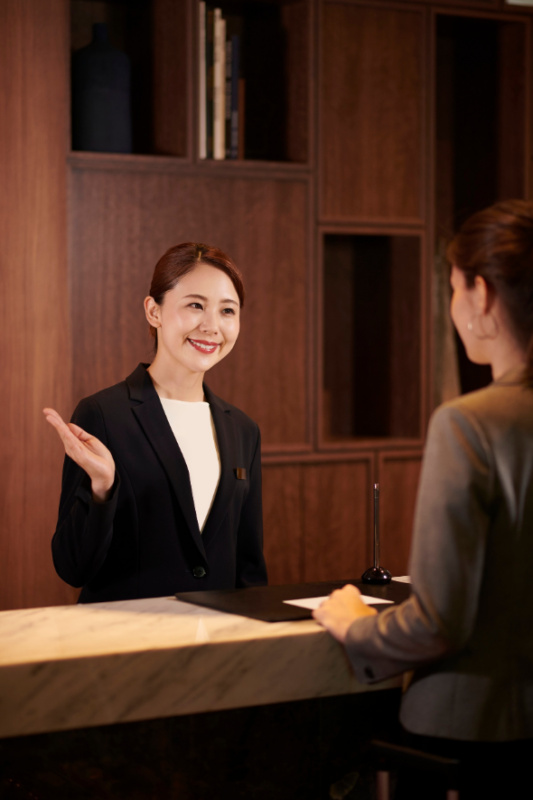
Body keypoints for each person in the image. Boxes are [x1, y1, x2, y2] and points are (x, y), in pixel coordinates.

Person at [313, 200, 533, 794]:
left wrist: (355, 624)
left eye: (454, 289)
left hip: (472, 735)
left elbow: (438, 623)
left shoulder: (471, 423)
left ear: (481, 295)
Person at [44, 243, 267, 603]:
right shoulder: (102, 414)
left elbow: (249, 568)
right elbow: (72, 568)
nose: (211, 326)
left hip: (218, 647)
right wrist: (102, 488)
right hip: (129, 648)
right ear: (154, 311)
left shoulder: (243, 429)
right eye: (195, 305)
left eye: (228, 310)